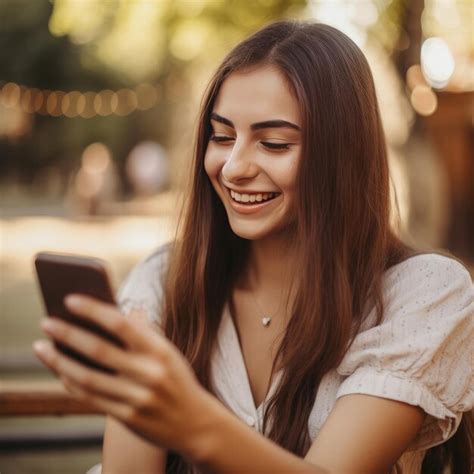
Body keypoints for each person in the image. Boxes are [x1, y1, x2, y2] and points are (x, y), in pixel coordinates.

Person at [34, 20, 473, 474]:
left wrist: (189, 420)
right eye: (222, 136)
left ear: (342, 154)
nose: (233, 167)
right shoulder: (165, 279)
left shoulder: (426, 294)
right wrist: (129, 399)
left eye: (274, 143)